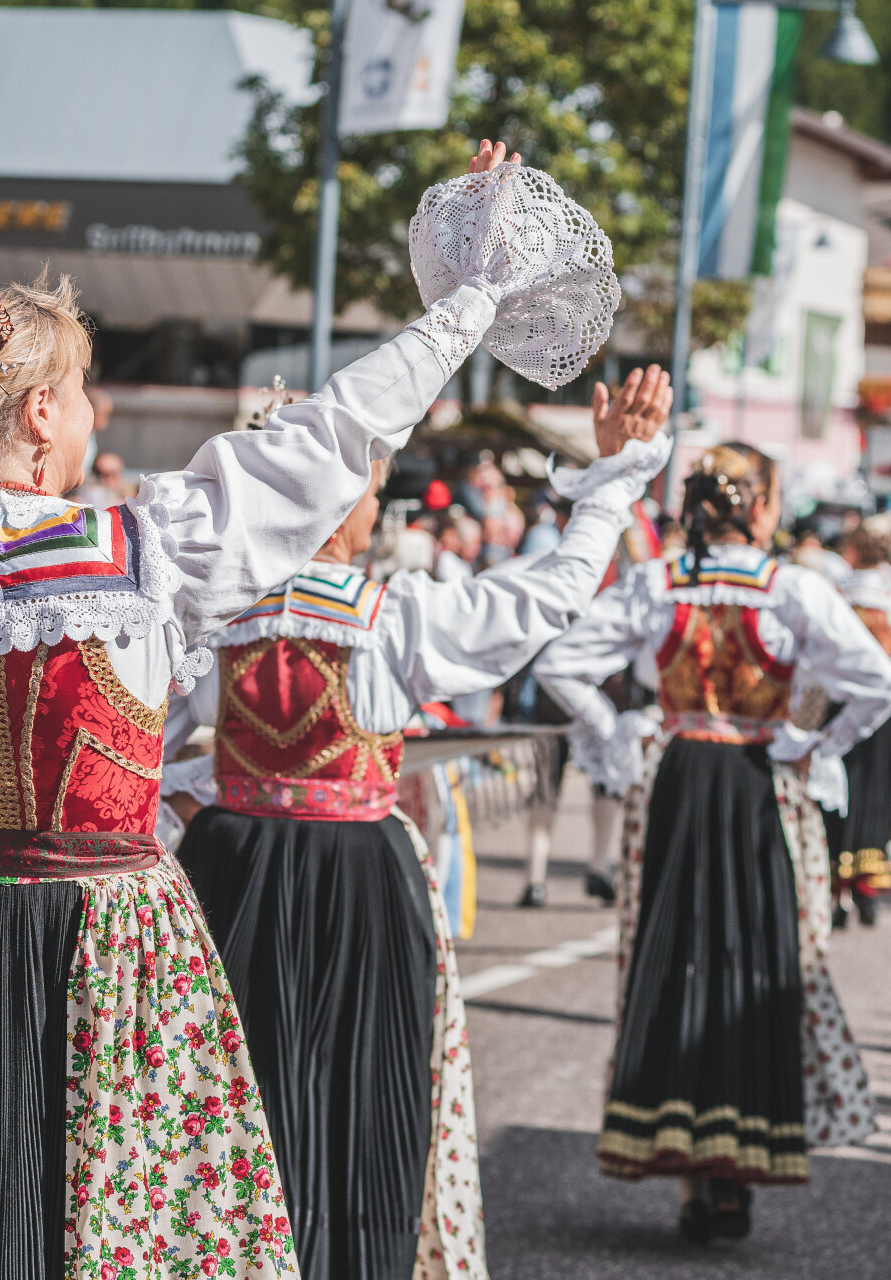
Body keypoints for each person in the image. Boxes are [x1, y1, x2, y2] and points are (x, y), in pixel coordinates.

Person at [0, 145, 612, 1278]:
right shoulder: (142, 551)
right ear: (47, 413)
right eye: (90, 389)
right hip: (113, 938)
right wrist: (470, 299)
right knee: (111, 1220)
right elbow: (337, 432)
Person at [159, 370, 672, 1280]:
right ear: (332, 501)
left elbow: (140, 749)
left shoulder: (212, 617)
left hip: (227, 863)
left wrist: (208, 789)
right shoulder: (395, 619)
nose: (377, 512)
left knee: (228, 1087)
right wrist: (618, 479)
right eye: (372, 490)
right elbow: (549, 598)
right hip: (358, 870)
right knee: (363, 1083)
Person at [535, 443, 891, 1244]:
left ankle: (688, 1165)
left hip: (672, 783)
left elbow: (562, 662)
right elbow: (880, 683)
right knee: (756, 964)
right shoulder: (792, 589)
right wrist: (814, 744)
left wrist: (620, 728)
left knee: (668, 961)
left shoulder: (656, 581)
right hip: (758, 784)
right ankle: (735, 1170)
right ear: (762, 508)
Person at [825, 523, 891, 925]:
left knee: (839, 783)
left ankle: (836, 885)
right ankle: (867, 885)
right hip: (882, 703)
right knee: (877, 787)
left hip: (840, 697)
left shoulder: (837, 588)